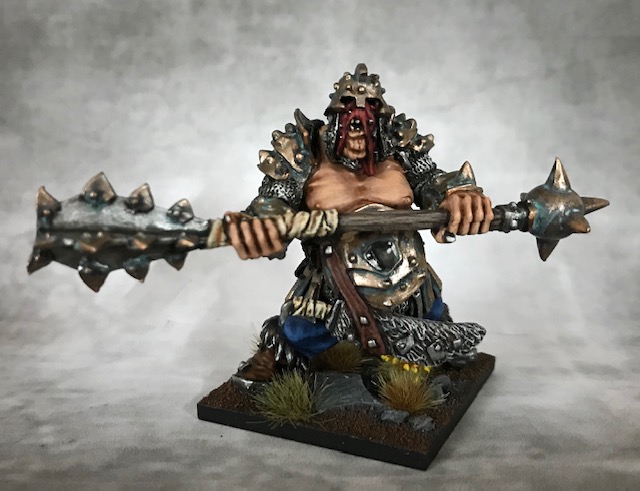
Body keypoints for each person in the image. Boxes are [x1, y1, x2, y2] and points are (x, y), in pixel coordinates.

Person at [225, 64, 493, 382]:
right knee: (298, 332)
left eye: (367, 130)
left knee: (434, 328)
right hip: (332, 287)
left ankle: (432, 342)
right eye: (351, 128)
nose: (358, 139)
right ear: (334, 122)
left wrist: (458, 195)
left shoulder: (398, 145)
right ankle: (276, 354)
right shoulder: (303, 151)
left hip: (411, 281)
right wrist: (265, 222)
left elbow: (430, 181)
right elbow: (275, 200)